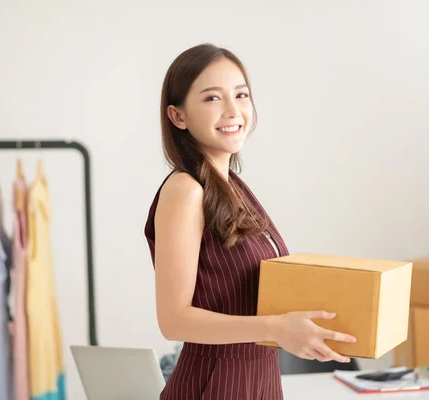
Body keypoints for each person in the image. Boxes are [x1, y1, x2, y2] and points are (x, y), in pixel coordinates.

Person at [144, 43, 356, 399]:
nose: (233, 110)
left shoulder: (233, 189)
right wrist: (276, 327)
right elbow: (173, 319)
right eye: (212, 98)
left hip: (260, 380)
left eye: (241, 95)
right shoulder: (185, 190)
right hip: (215, 384)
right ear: (178, 116)